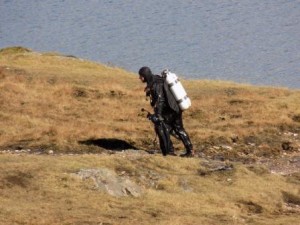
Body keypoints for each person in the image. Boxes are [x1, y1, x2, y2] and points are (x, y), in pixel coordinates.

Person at [138, 66, 194, 157]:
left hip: (170, 110)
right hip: (175, 107)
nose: (140, 78)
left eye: (141, 76)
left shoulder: (156, 84)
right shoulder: (155, 79)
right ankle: (189, 150)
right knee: (178, 129)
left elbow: (160, 100)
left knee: (164, 128)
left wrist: (158, 115)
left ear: (145, 76)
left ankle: (170, 152)